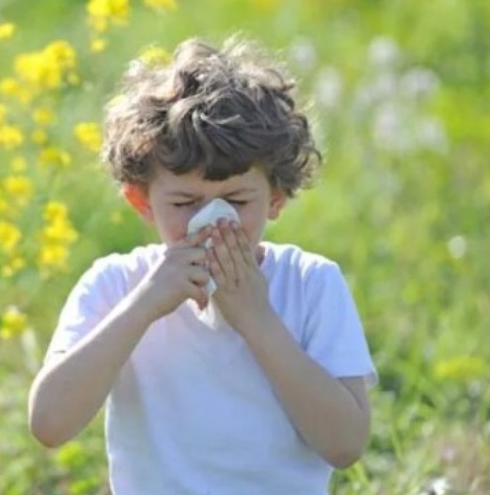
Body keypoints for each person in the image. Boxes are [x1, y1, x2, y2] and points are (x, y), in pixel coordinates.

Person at [27, 35, 377, 494]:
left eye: (236, 201)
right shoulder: (117, 284)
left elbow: (345, 444)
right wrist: (145, 304)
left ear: (275, 198)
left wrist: (257, 319)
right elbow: (49, 424)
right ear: (142, 202)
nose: (212, 220)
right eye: (185, 203)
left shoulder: (310, 284)